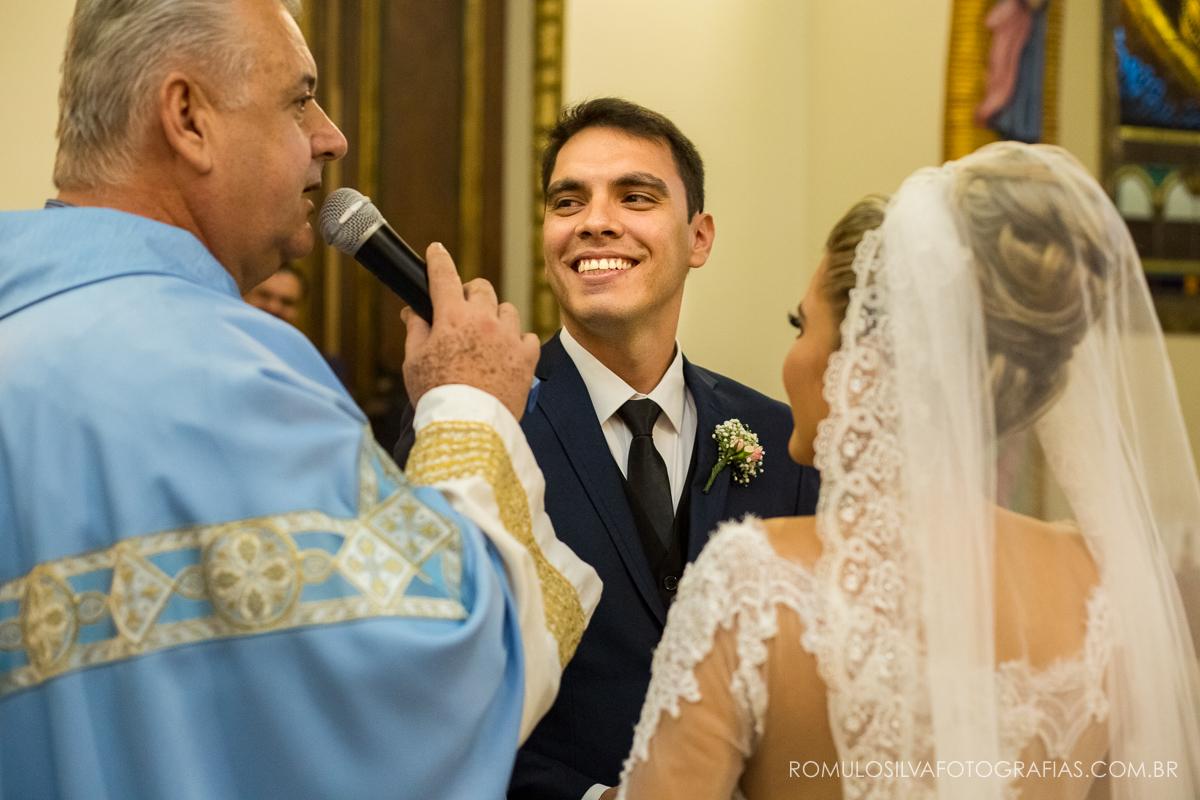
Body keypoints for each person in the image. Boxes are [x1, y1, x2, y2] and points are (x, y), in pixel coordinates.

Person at [0, 0, 600, 798]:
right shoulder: (224, 374)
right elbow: (433, 677)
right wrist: (470, 404)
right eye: (298, 98)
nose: (331, 135)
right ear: (188, 118)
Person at [615, 142, 1200, 799]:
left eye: (801, 325)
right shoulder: (1099, 587)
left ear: (862, 363)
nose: (793, 357)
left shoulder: (753, 585)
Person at [500, 99, 820, 800]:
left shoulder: (783, 440)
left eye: (635, 196)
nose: (595, 221)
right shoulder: (487, 426)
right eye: (567, 201)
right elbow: (442, 698)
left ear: (699, 237)